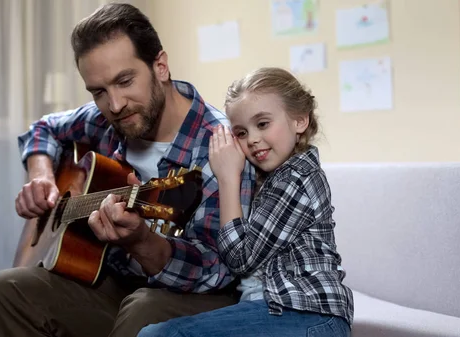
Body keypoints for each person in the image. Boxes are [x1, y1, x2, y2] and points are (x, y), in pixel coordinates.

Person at [0, 2, 256, 337]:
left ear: (160, 66)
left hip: (195, 298)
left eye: (124, 81)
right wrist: (42, 176)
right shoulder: (104, 119)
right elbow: (44, 128)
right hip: (113, 284)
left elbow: (217, 270)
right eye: (99, 91)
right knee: (4, 288)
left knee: (144, 308)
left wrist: (142, 242)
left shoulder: (219, 146)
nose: (114, 105)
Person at [138, 67, 354, 337]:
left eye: (262, 124)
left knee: (162, 335)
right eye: (240, 132)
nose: (252, 139)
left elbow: (240, 258)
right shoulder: (270, 177)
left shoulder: (297, 178)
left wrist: (227, 177)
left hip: (309, 314)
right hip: (274, 310)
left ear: (299, 120)